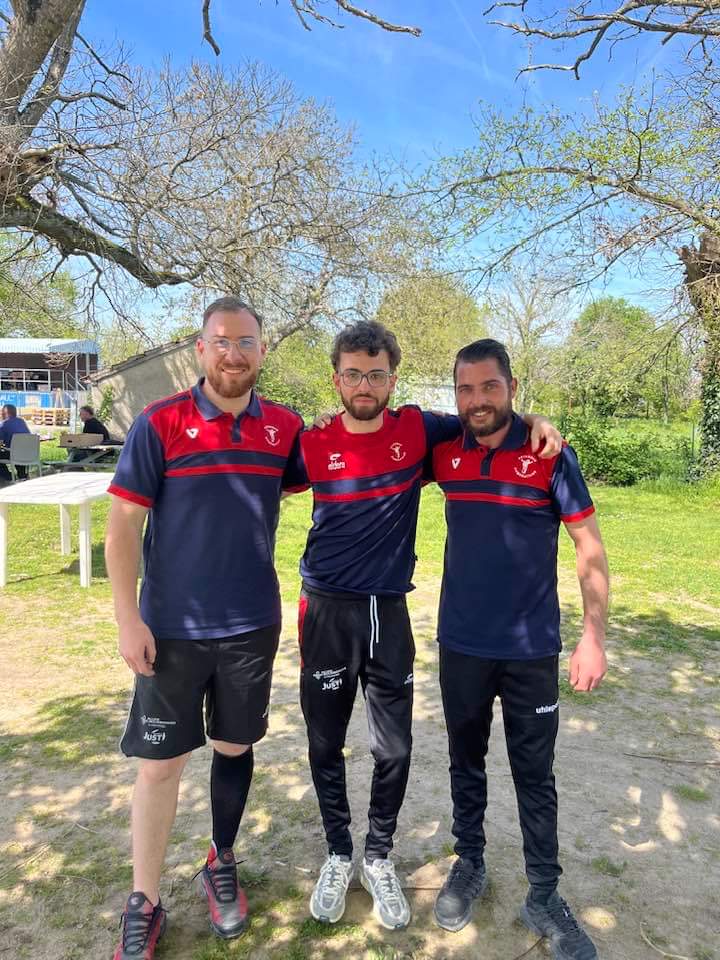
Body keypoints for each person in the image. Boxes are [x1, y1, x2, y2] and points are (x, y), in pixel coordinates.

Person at [291, 321, 562, 931]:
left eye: (377, 373)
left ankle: (379, 854)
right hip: (326, 610)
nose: (365, 384)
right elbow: (246, 485)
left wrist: (539, 420)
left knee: (395, 747)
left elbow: (490, 415)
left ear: (393, 377)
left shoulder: (420, 431)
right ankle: (339, 852)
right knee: (323, 741)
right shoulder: (308, 443)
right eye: (353, 373)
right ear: (336, 378)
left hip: (388, 609)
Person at [105, 296, 305, 960]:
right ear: (200, 348)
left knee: (233, 749)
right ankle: (144, 899)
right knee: (161, 767)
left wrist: (522, 422)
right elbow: (123, 526)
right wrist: (127, 617)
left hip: (251, 626)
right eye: (222, 341)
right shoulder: (158, 423)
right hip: (170, 630)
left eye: (246, 342)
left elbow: (353, 455)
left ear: (262, 350)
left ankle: (221, 861)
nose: (234, 353)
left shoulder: (284, 428)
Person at [428, 339, 608, 960]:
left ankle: (544, 893)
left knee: (536, 776)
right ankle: (469, 862)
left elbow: (589, 546)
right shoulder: (443, 450)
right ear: (455, 395)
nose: (478, 401)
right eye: (466, 389)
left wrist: (592, 637)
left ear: (511, 386)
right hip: (461, 645)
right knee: (465, 761)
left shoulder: (550, 456)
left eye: (490, 387)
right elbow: (378, 425)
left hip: (532, 648)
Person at [0, 403, 31, 483]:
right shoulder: (22, 421)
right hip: (28, 454)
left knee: (11, 451)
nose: (1, 414)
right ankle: (22, 475)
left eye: (2, 412)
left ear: (6, 413)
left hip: (14, 454)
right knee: (18, 450)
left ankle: (8, 476)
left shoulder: (4, 424)